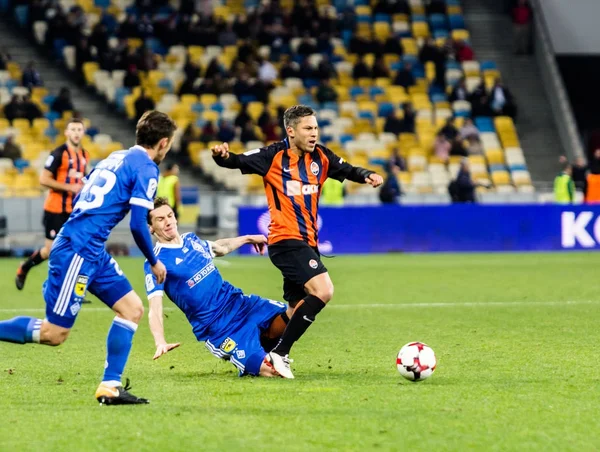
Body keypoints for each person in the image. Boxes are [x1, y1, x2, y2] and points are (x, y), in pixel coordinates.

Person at [0, 111, 176, 405]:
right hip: (78, 250)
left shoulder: (114, 157)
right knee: (54, 334)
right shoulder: (147, 168)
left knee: (132, 309)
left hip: (91, 249)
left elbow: (87, 193)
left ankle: (110, 386)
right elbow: (136, 224)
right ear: (164, 143)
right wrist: (154, 261)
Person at [211, 105, 383, 377]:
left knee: (294, 309)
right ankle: (280, 353)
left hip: (307, 243)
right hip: (284, 241)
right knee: (323, 291)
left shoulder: (322, 157)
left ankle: (259, 351)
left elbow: (347, 169)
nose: (314, 133)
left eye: (315, 128)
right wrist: (222, 157)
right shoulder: (273, 156)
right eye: (308, 128)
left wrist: (366, 175)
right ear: (291, 131)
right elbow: (237, 161)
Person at [145, 198, 294, 377]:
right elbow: (155, 307)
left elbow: (220, 248)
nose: (168, 221)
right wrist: (159, 341)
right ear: (151, 227)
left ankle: (264, 350)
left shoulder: (191, 240)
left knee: (293, 315)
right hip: (218, 326)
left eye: (169, 215)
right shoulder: (155, 262)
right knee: (270, 372)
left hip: (240, 304)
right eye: (160, 219)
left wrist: (247, 238)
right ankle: (258, 357)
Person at [16, 119, 89, 291]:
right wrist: (69, 187)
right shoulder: (58, 153)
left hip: (74, 211)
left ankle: (71, 289)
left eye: (79, 129)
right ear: (66, 133)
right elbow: (43, 179)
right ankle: (25, 267)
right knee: (50, 252)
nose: (77, 132)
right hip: (55, 209)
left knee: (78, 248)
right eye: (73, 129)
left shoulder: (85, 155)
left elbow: (84, 178)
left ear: (83, 132)